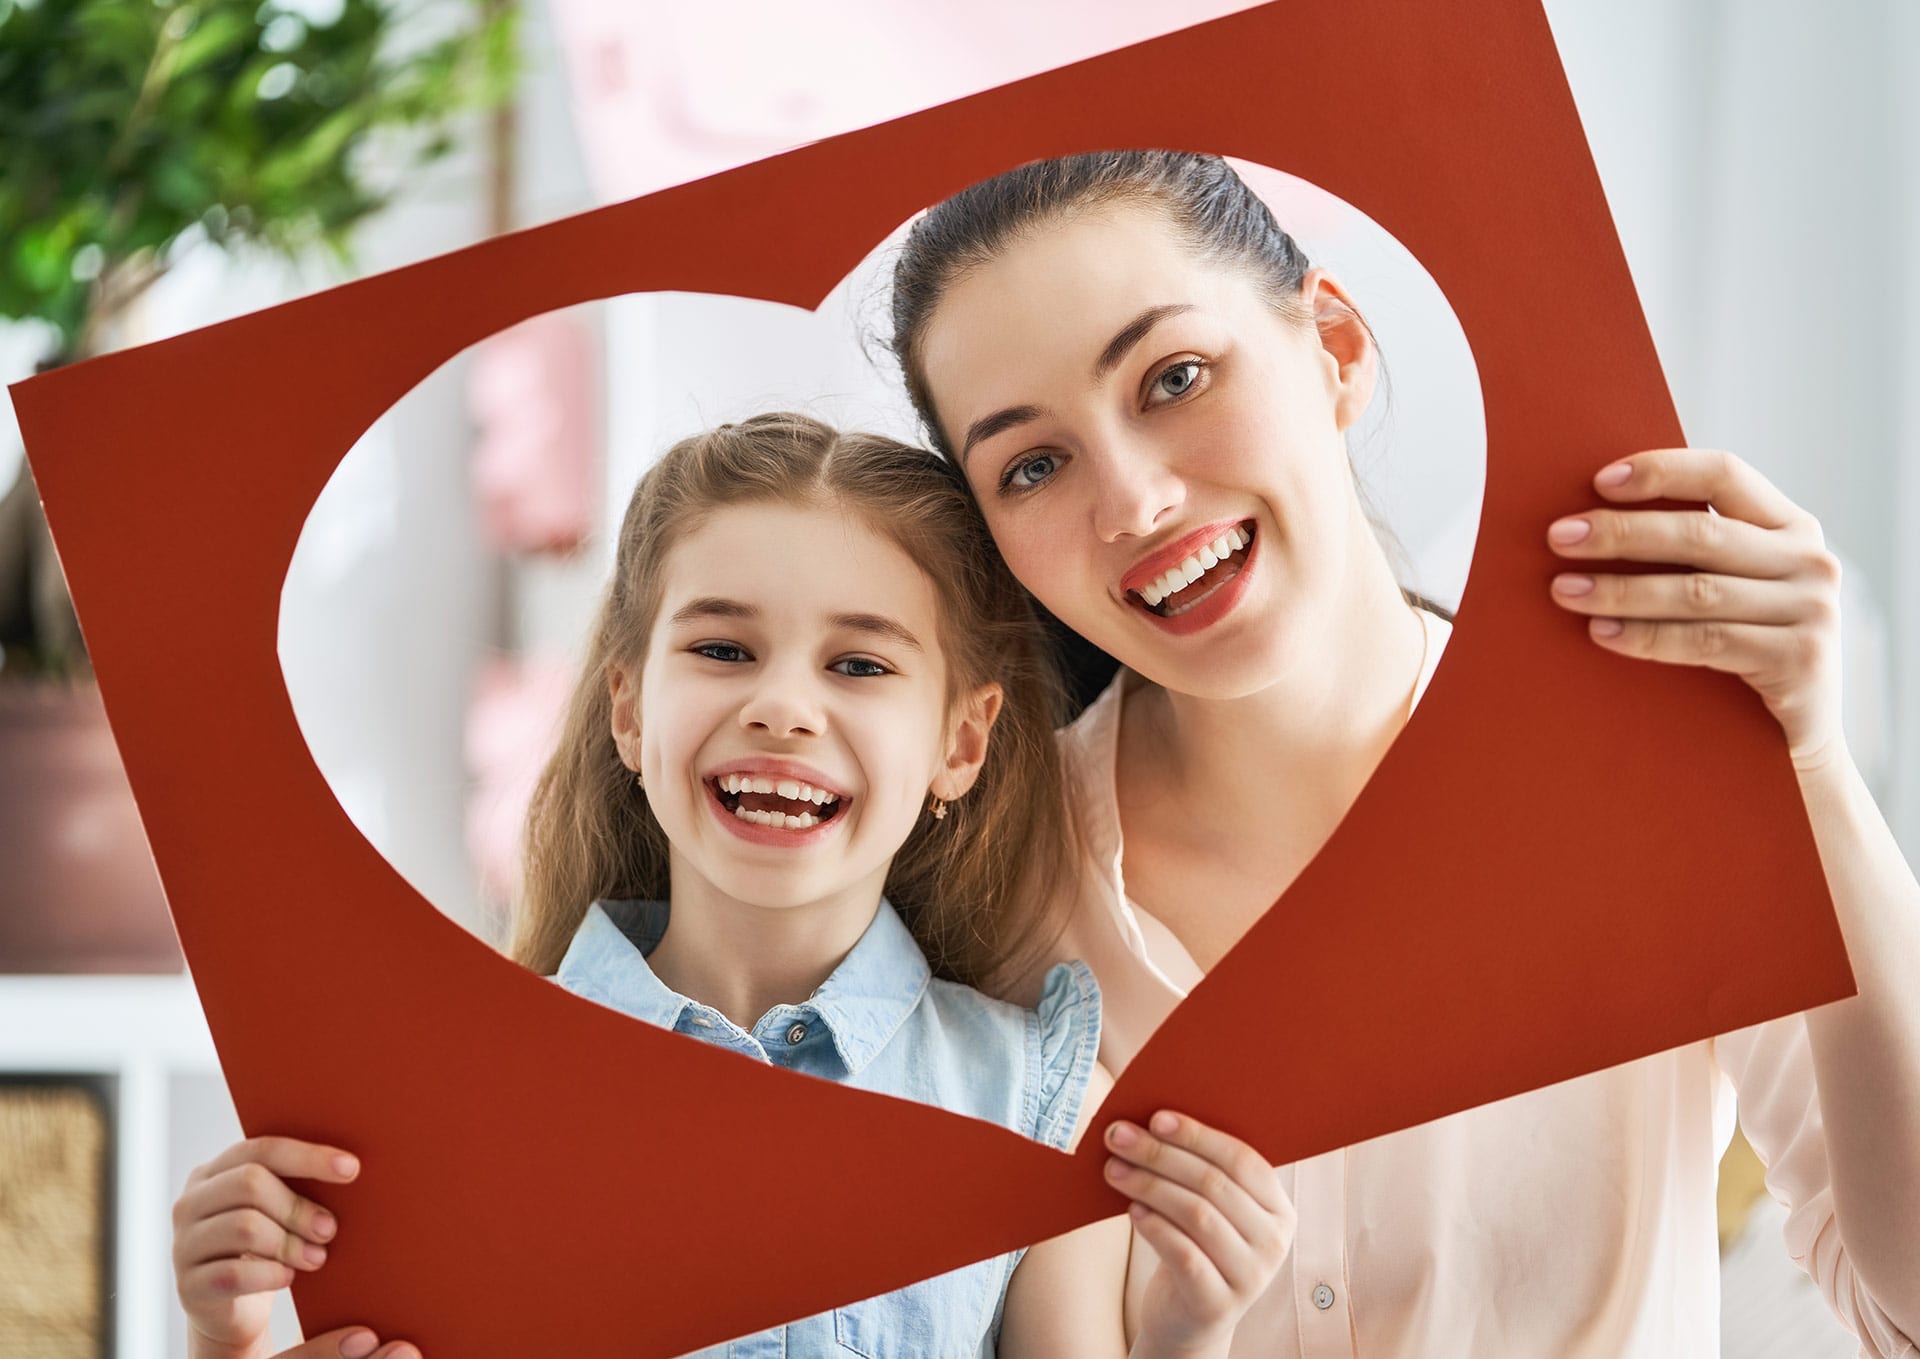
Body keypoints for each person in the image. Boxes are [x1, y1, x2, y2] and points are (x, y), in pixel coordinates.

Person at [886, 150, 1920, 1357]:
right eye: (1033, 466)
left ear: (1335, 347)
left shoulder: (1641, 788)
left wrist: (1808, 765)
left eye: (1173, 377)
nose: (1133, 500)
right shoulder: (990, 900)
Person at [170, 414, 1299, 1359]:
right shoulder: (438, 1099)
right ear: (628, 706)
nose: (784, 708)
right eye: (721, 650)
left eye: (859, 665)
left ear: (961, 743)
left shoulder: (1035, 1101)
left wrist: (1187, 1334)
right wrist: (228, 1339)